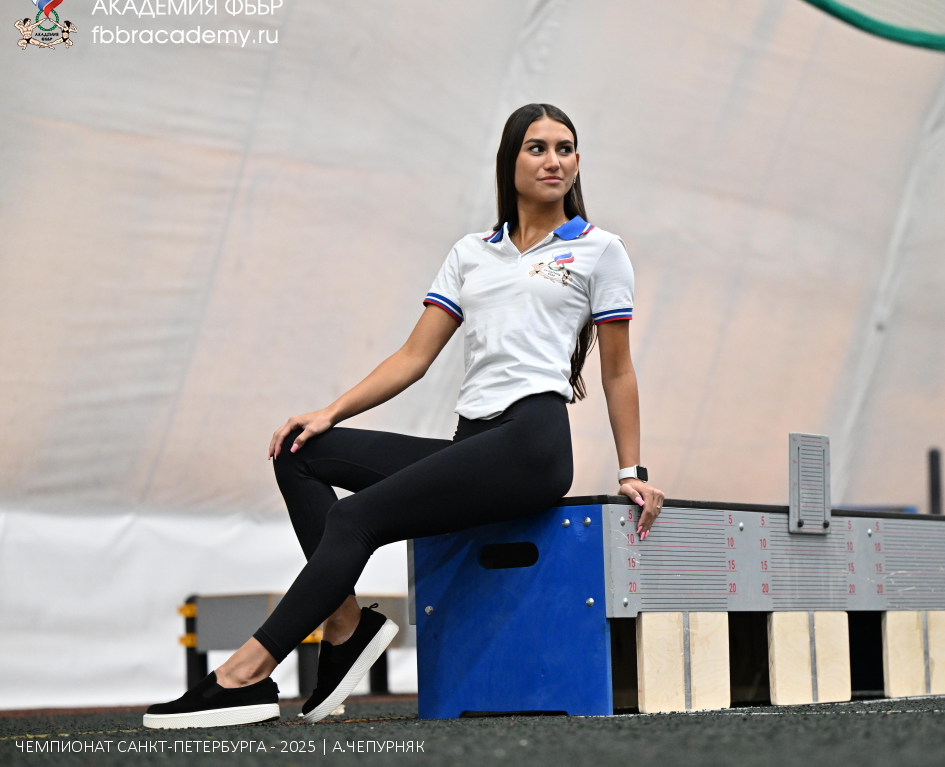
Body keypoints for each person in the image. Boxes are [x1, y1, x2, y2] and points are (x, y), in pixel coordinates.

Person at [143, 103, 666, 729]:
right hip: (474, 443)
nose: (554, 160)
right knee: (299, 451)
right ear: (510, 161)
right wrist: (329, 412)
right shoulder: (472, 253)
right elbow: (414, 357)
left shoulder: (600, 250)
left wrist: (631, 470)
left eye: (565, 148)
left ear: (577, 162)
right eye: (537, 147)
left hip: (532, 446)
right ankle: (345, 625)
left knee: (356, 518)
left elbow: (617, 370)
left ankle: (246, 674)